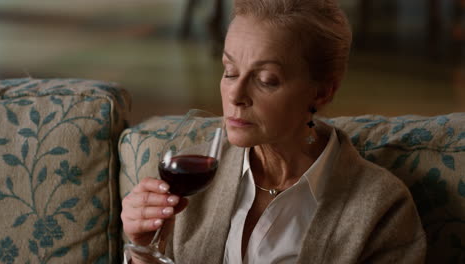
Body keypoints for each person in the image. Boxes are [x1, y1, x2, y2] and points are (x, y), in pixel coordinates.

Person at [121, 0, 427, 263]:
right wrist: (143, 248)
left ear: (321, 93)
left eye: (266, 79)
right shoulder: (190, 179)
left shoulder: (383, 208)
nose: (235, 94)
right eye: (229, 72)